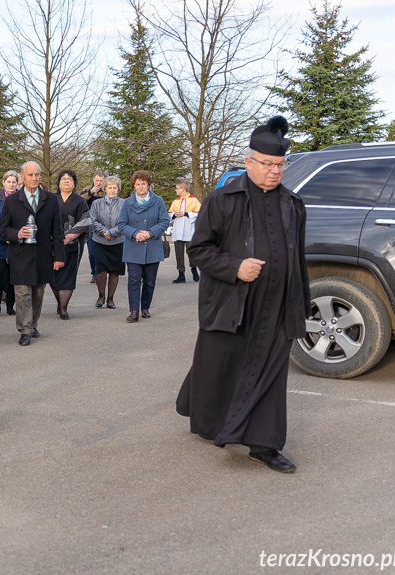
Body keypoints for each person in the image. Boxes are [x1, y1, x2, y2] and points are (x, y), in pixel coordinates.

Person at [176, 116, 310, 473]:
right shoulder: (223, 199)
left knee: (271, 374)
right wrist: (235, 267)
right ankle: (207, 420)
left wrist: (301, 302)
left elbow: (298, 259)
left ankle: (265, 445)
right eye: (267, 164)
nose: (274, 172)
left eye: (280, 165)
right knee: (218, 367)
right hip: (232, 304)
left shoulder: (293, 204)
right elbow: (199, 250)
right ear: (249, 161)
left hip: (277, 307)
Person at [0, 161, 65, 346]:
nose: (34, 178)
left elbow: (57, 231)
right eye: (30, 175)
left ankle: (33, 324)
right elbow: (3, 230)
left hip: (43, 255)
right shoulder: (12, 200)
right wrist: (17, 234)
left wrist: (59, 257)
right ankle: (25, 330)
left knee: (37, 293)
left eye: (37, 174)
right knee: (22, 295)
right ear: (22, 177)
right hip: (20, 254)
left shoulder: (51, 199)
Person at [118, 170, 170, 322]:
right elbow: (122, 224)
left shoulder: (158, 201)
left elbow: (164, 221)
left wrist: (150, 233)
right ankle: (134, 311)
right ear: (133, 186)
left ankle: (145, 307)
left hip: (152, 246)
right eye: (137, 184)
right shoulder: (127, 203)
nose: (140, 187)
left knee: (149, 280)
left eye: (143, 184)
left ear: (148, 185)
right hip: (133, 246)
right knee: (133, 279)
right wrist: (135, 233)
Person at [49, 169, 90, 320]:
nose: (66, 181)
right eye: (63, 179)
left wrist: (67, 238)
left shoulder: (80, 201)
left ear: (74, 183)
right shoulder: (51, 199)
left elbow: (85, 221)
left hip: (73, 244)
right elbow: (45, 220)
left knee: (68, 275)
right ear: (58, 183)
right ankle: (59, 303)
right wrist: (56, 238)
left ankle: (63, 308)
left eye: (70, 179)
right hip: (52, 243)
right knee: (53, 275)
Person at [89, 176, 126, 309]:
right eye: (109, 188)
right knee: (101, 272)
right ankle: (101, 296)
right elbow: (92, 221)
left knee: (115, 272)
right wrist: (104, 232)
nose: (112, 190)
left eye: (114, 188)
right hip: (100, 241)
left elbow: (124, 222)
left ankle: (110, 299)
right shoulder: (96, 204)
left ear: (118, 189)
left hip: (118, 242)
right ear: (104, 189)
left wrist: (112, 233)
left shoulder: (124, 203)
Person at [0, 170, 19, 317]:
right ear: (3, 183)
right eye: (9, 182)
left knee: (13, 274)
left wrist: (14, 236)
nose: (11, 184)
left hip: (16, 242)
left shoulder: (21, 197)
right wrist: (3, 236)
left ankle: (10, 305)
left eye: (14, 182)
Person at [168, 180, 201, 283]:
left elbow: (200, 213)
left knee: (191, 251)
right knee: (178, 253)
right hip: (178, 231)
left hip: (189, 231)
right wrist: (174, 215)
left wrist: (186, 214)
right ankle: (181, 273)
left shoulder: (194, 200)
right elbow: (169, 215)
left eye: (177, 188)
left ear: (183, 189)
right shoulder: (176, 201)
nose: (176, 190)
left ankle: (194, 268)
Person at [81, 171, 106, 283]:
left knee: (103, 250)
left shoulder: (107, 189)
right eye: (97, 180)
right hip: (90, 225)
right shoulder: (87, 190)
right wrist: (90, 192)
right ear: (93, 180)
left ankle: (101, 272)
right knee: (91, 252)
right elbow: (80, 201)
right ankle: (94, 273)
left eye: (101, 181)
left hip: (104, 224)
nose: (99, 183)